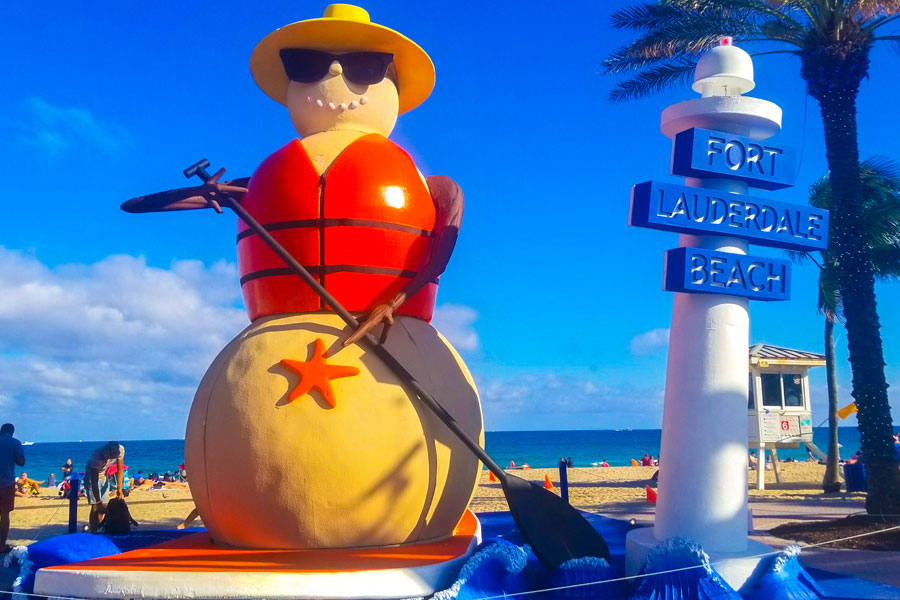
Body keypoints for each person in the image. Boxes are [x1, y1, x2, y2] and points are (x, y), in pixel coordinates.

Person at [85, 441, 125, 533]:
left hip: (104, 475)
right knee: (95, 506)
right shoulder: (97, 457)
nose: (113, 458)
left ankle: (100, 527)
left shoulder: (121, 449)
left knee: (104, 505)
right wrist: (98, 501)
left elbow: (120, 469)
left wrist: (119, 488)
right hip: (92, 476)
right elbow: (94, 483)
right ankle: (94, 531)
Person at [0, 423, 25, 553]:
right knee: (4, 515)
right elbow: (21, 462)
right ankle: (1, 545)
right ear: (12, 432)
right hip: (6, 483)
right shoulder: (15, 442)